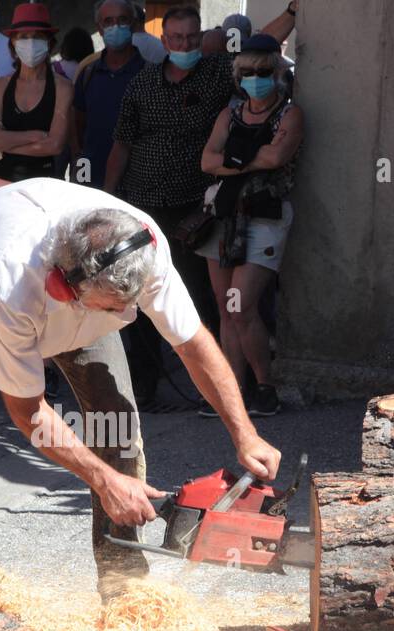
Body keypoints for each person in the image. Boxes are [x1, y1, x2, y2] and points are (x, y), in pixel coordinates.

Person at [0, 179, 280, 613]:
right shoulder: (6, 280)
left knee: (118, 434)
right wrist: (104, 483)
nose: (126, 316)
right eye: (111, 306)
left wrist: (245, 435)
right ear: (63, 285)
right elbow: (28, 412)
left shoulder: (144, 247)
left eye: (129, 304)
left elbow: (193, 343)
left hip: (75, 303)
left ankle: (124, 597)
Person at [105, 2, 297, 410]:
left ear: (201, 36)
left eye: (192, 37)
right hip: (145, 206)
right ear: (164, 40)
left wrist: (294, 12)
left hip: (199, 210)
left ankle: (221, 386)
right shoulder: (142, 85)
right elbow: (122, 142)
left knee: (202, 303)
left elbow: (262, 47)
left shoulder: (217, 75)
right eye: (176, 38)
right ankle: (144, 389)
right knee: (139, 302)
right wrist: (108, 195)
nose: (185, 44)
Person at [197, 34, 302, 418]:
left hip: (263, 216)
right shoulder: (231, 113)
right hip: (225, 215)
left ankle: (264, 386)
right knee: (226, 309)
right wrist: (245, 158)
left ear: (275, 73)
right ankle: (233, 390)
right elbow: (207, 161)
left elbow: (278, 156)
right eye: (247, 72)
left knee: (241, 307)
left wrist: (235, 157)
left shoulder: (289, 114)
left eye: (262, 71)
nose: (254, 78)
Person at [0, 3, 71, 191]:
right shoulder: (0, 85)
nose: (30, 43)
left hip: (42, 187)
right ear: (13, 42)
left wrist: (5, 143)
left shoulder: (62, 87)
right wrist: (34, 136)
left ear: (49, 42)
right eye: (23, 37)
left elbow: (55, 145)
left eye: (38, 37)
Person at [71, 1, 145, 189]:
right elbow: (77, 127)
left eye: (122, 20)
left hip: (135, 183)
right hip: (91, 178)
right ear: (100, 28)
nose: (115, 27)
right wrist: (80, 178)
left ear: (134, 24)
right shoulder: (88, 73)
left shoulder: (149, 75)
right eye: (108, 21)